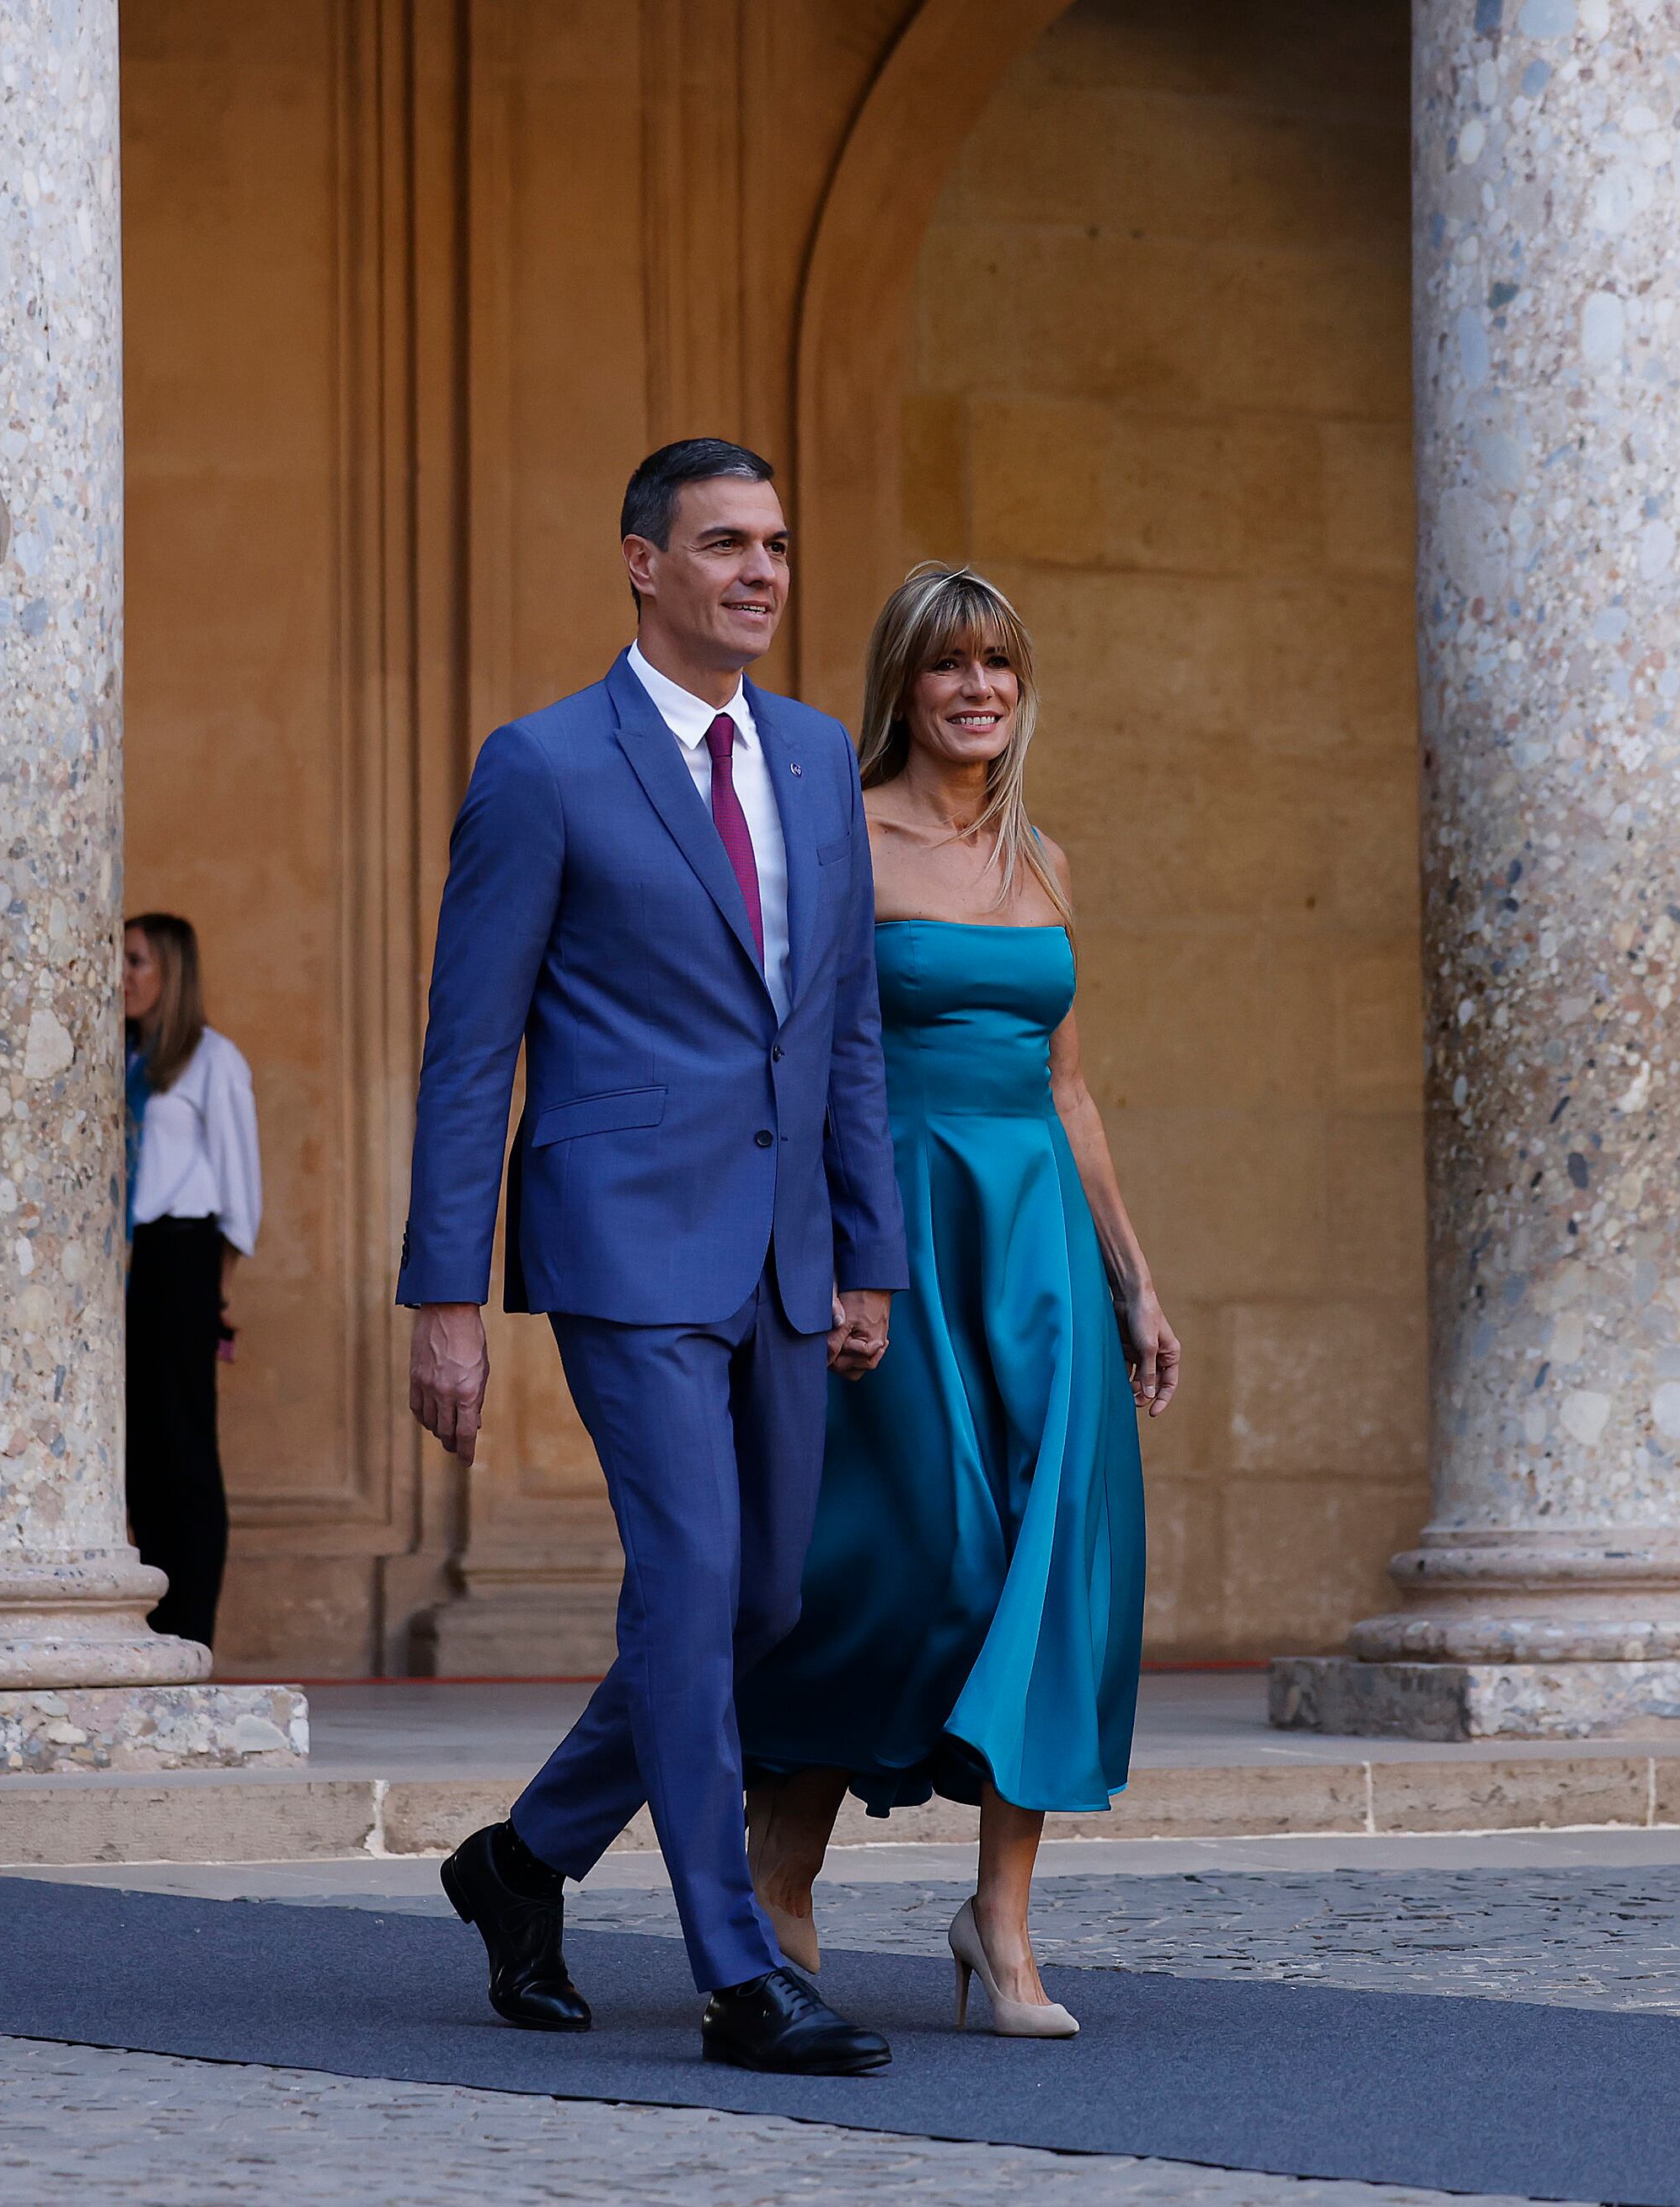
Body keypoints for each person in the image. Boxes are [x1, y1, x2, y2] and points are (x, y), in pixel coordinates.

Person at [396, 437, 907, 2076]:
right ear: (641, 561)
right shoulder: (544, 766)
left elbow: (845, 1033)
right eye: (721, 544)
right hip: (620, 1238)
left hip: (786, 1249)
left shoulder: (822, 761)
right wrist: (442, 1296)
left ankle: (522, 1857)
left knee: (757, 1598)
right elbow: (470, 1049)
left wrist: (867, 1251)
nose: (759, 571)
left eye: (773, 545)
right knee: (689, 1581)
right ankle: (737, 1967)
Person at [736, 563, 1180, 2039]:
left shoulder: (1045, 857)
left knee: (1051, 1563)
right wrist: (818, 1255)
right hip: (897, 1228)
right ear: (903, 684)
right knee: (894, 1551)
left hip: (1036, 1239)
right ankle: (780, 1870)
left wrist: (1132, 1273)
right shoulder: (835, 837)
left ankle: (999, 1915)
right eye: (947, 665)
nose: (977, 688)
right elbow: (797, 1066)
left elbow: (1066, 1085)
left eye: (998, 663)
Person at [123, 913, 258, 1651]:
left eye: (136, 961)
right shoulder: (124, 1060)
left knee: (184, 1449)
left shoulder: (212, 1059)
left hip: (184, 1258)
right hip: (128, 1262)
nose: (122, 976)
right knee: (136, 1452)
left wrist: (216, 1291)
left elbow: (241, 1192)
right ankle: (150, 1622)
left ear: (170, 971)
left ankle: (191, 1627)